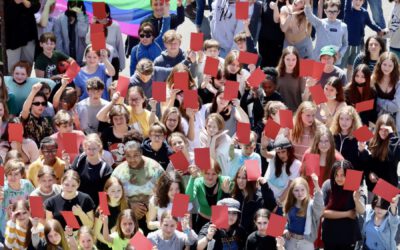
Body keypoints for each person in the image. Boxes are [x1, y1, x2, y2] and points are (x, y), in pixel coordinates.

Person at [111, 141, 164, 234]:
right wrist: (130, 205)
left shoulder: (155, 168)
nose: (132, 159)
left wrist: (151, 205)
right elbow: (110, 194)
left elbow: (167, 189)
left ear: (141, 153)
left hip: (154, 216)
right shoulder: (118, 172)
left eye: (136, 155)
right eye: (128, 156)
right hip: (128, 219)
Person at [321, 160, 365, 250]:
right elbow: (322, 212)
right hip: (330, 234)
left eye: (343, 175)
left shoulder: (353, 183)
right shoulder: (328, 184)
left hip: (348, 236)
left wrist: (356, 200)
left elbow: (362, 211)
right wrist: (347, 214)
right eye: (336, 175)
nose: (339, 178)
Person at [359, 114, 400, 200]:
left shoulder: (395, 144)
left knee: (388, 213)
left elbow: (392, 155)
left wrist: (391, 135)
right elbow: (366, 163)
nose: (383, 132)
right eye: (381, 129)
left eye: (386, 130)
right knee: (372, 212)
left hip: (389, 188)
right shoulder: (371, 142)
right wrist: (370, 173)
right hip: (373, 188)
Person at [342, 0, 384, 80]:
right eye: (355, 0)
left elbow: (370, 23)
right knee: (341, 66)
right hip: (345, 45)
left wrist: (379, 29)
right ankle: (339, 85)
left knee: (351, 67)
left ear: (363, 2)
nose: (358, 2)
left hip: (357, 45)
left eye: (360, 0)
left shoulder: (364, 13)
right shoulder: (348, 10)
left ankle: (348, 84)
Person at [185, 160, 231, 232]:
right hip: (202, 220)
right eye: (207, 173)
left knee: (218, 242)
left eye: (214, 174)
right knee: (201, 242)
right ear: (202, 173)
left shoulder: (224, 181)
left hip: (220, 219)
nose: (210, 177)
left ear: (218, 174)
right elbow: (188, 198)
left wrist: (227, 192)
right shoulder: (198, 181)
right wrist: (192, 178)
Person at [232, 166, 277, 235]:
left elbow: (272, 206)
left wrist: (265, 185)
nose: (240, 181)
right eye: (238, 177)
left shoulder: (258, 197)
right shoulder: (235, 194)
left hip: (254, 237)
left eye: (244, 178)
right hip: (237, 237)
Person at [282, 175, 323, 250]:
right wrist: (284, 230)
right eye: (296, 190)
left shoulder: (311, 205)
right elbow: (279, 223)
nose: (300, 193)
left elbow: (320, 208)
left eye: (302, 190)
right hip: (290, 240)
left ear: (307, 190)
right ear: (292, 192)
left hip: (306, 242)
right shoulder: (288, 204)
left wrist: (316, 185)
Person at [71, 134, 113, 206]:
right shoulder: (79, 159)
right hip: (76, 203)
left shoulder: (105, 168)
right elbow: (71, 179)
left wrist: (102, 210)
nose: (91, 152)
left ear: (99, 147)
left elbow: (104, 192)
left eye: (94, 149)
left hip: (93, 205)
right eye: (89, 149)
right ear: (84, 148)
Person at [86, 3, 125, 80]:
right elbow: (88, 42)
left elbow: (119, 45)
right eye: (97, 14)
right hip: (98, 61)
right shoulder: (95, 25)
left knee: (112, 87)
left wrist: (122, 64)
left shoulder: (115, 26)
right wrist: (93, 26)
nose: (99, 16)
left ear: (107, 14)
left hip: (113, 60)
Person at [265, 136, 301, 213]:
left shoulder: (296, 164)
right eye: (278, 152)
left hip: (281, 205)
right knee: (261, 224)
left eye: (283, 151)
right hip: (266, 198)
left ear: (289, 150)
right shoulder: (275, 157)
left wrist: (277, 204)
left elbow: (290, 187)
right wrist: (263, 146)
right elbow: (265, 154)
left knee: (276, 225)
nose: (281, 155)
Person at [304, 0, 348, 65]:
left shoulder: (343, 26)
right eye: (329, 11)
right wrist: (307, 3)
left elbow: (345, 44)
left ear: (338, 12)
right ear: (325, 11)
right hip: (318, 60)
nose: (331, 14)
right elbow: (309, 14)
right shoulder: (320, 23)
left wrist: (340, 53)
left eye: (334, 11)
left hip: (334, 62)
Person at [129, 9, 171, 75]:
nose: (144, 38)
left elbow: (165, 28)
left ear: (152, 36)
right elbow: (132, 70)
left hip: (158, 80)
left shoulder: (159, 43)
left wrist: (166, 13)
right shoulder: (135, 50)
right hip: (143, 81)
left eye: (148, 35)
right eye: (142, 35)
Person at [0, 159, 35, 238]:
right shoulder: (3, 190)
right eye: (10, 174)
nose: (13, 177)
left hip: (27, 228)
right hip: (8, 230)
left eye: (16, 174)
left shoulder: (27, 184)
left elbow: (37, 207)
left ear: (21, 174)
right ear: (6, 175)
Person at [4, 0, 40, 72]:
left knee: (27, 65)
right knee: (12, 67)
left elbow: (36, 6)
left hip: (29, 34)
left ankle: (27, 82)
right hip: (11, 37)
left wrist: (27, 3)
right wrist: (14, 3)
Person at [53, 0, 89, 65]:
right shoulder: (60, 19)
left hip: (81, 58)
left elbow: (82, 34)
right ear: (69, 5)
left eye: (77, 5)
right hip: (65, 57)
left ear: (81, 6)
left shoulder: (85, 18)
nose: (75, 8)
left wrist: (80, 14)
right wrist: (61, 57)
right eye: (73, 4)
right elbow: (58, 40)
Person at [372, 52, 400, 131]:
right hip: (375, 115)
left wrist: (377, 101)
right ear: (380, 64)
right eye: (384, 64)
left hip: (394, 119)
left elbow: (396, 107)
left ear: (395, 66)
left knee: (390, 139)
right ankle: (362, 142)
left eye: (390, 65)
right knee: (358, 111)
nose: (386, 68)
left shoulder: (398, 82)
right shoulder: (373, 79)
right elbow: (366, 101)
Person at [330, 106, 363, 171]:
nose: (344, 122)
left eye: (347, 119)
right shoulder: (332, 133)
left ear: (353, 120)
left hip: (353, 173)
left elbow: (369, 158)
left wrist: (362, 151)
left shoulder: (362, 133)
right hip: (336, 173)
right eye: (341, 118)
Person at [276, 46, 307, 112]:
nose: (290, 62)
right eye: (288, 59)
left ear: (297, 60)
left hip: (295, 112)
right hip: (279, 112)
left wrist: (308, 87)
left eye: (293, 59)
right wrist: (253, 71)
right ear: (283, 59)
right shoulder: (276, 72)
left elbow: (305, 99)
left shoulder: (302, 75)